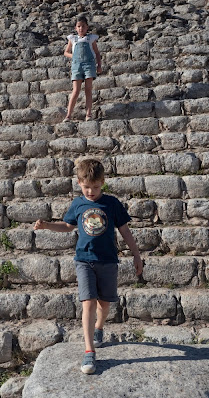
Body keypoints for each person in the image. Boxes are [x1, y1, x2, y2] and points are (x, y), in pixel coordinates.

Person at [34, 158, 143, 374]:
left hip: (108, 261)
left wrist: (137, 256)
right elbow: (67, 226)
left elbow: (125, 232)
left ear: (102, 182)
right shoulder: (78, 204)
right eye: (86, 187)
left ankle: (99, 328)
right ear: (78, 182)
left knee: (104, 303)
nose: (91, 192)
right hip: (84, 260)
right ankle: (89, 352)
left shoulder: (111, 204)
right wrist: (47, 225)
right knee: (88, 302)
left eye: (95, 187)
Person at [63, 16, 102, 122]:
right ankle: (68, 115)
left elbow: (97, 53)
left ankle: (88, 114)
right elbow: (66, 52)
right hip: (77, 66)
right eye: (79, 26)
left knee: (88, 90)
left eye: (83, 26)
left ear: (87, 27)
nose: (81, 28)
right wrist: (74, 56)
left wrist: (99, 65)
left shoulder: (91, 39)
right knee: (76, 90)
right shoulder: (73, 39)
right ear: (75, 28)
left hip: (89, 65)